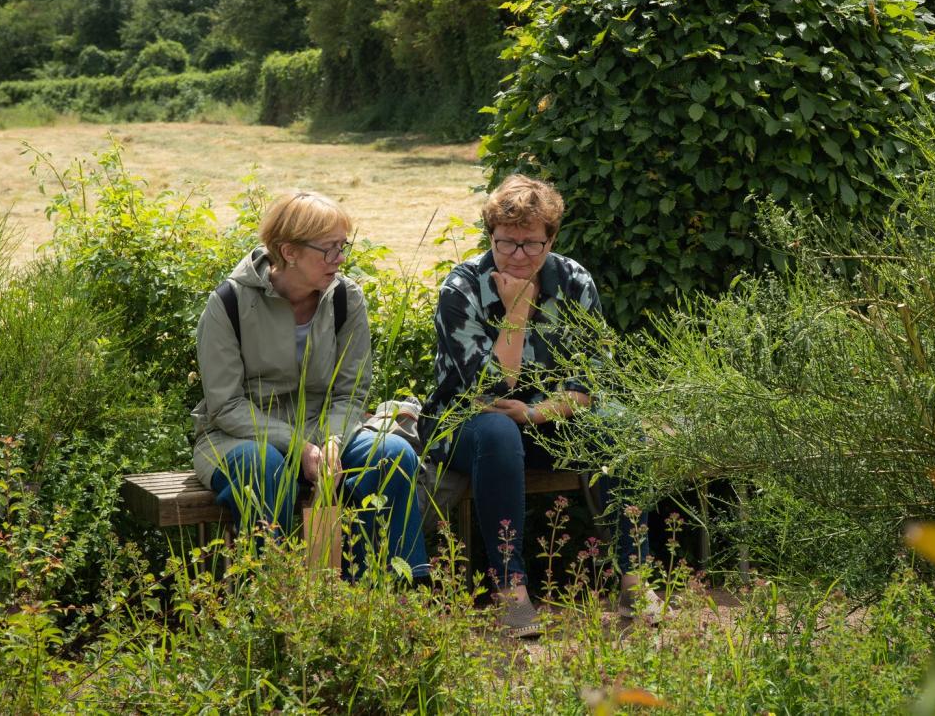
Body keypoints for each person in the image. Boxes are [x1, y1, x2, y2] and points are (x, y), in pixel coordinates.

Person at [423, 174, 656, 636]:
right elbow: (490, 391)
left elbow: (591, 382)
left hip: (548, 420)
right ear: (490, 235)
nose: (517, 256)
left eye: (531, 244)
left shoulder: (573, 281)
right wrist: (515, 313)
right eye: (505, 243)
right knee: (498, 431)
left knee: (620, 427)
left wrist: (536, 413)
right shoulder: (462, 289)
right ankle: (511, 591)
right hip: (465, 427)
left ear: (551, 239)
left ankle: (637, 579)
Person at [191, 190, 429, 582]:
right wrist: (298, 445)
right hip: (242, 435)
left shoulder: (346, 299)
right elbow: (226, 405)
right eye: (329, 249)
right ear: (289, 251)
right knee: (262, 468)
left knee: (391, 454)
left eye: (343, 246)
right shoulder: (228, 303)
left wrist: (331, 440)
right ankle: (275, 599)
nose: (341, 259)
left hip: (330, 426)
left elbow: (350, 392)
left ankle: (393, 595)